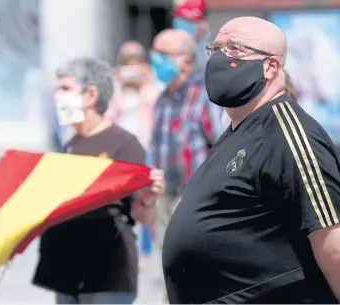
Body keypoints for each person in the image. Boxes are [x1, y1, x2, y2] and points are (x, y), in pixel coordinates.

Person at [162, 16, 340, 304]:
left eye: (234, 48)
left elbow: (332, 241)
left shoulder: (289, 132)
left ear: (270, 66)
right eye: (216, 48)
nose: (220, 58)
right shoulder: (234, 132)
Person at [32, 57, 165, 304]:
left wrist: (148, 200)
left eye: (65, 88)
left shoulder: (124, 144)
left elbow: (144, 217)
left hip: (108, 273)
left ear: (90, 95)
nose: (57, 96)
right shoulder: (71, 144)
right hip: (69, 271)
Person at [149, 28, 223, 290]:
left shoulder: (202, 95)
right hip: (163, 193)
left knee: (191, 262)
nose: (155, 59)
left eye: (163, 53)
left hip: (192, 194)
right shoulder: (161, 98)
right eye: (155, 52)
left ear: (187, 59)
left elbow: (220, 143)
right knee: (167, 262)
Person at [105, 40, 164, 259]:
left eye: (136, 62)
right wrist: (119, 86)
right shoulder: (115, 87)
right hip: (120, 150)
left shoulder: (152, 86)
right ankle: (123, 243)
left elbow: (157, 104)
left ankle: (146, 248)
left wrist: (146, 84)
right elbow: (108, 115)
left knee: (146, 196)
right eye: (127, 63)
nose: (132, 68)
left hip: (145, 147)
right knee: (121, 197)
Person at [171, 0, 210, 77]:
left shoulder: (207, 53)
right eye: (180, 18)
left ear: (204, 22)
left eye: (189, 20)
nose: (183, 23)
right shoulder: (165, 47)